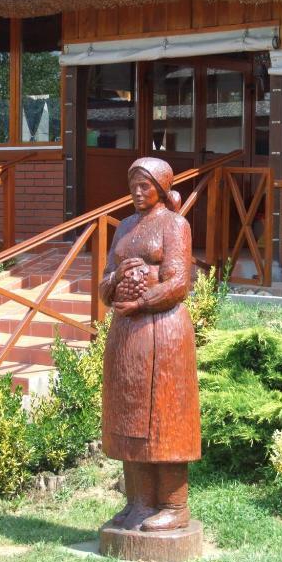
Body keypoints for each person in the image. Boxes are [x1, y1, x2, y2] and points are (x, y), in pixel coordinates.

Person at [99, 157, 201, 531]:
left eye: (145, 186)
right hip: (127, 334)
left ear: (161, 188)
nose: (138, 193)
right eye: (134, 186)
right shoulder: (124, 227)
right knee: (130, 416)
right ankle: (139, 503)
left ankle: (175, 505)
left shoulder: (176, 225)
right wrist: (116, 280)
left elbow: (178, 284)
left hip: (164, 332)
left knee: (165, 417)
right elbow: (104, 283)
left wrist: (142, 300)